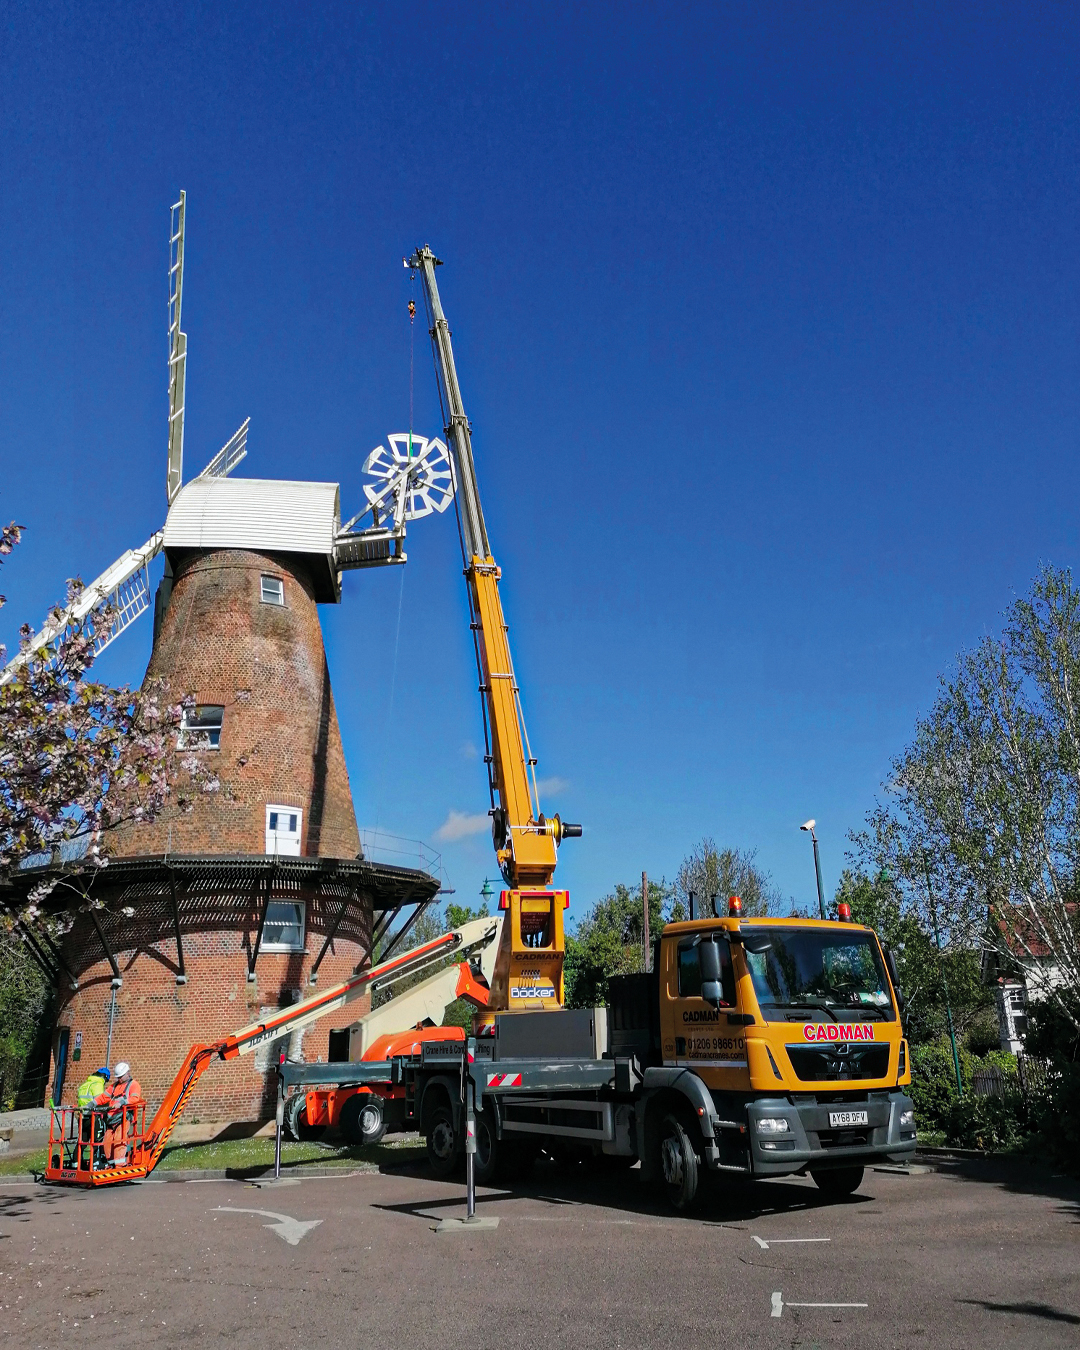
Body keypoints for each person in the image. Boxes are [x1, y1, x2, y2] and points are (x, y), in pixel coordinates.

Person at [95, 1062, 143, 1165]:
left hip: (124, 1117)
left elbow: (135, 1098)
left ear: (127, 1073)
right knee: (107, 1141)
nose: (119, 1079)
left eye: (121, 1077)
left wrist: (122, 1102)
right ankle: (110, 1163)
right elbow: (104, 1097)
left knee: (119, 1140)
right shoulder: (114, 1086)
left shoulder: (134, 1085)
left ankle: (119, 1165)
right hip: (112, 1118)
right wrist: (93, 1103)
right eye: (118, 1077)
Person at [74, 1066, 110, 1169]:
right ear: (104, 1077)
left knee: (82, 1141)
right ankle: (96, 1163)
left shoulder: (84, 1085)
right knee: (97, 1140)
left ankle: (76, 1162)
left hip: (83, 1116)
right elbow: (100, 1102)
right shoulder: (98, 1085)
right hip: (94, 1116)